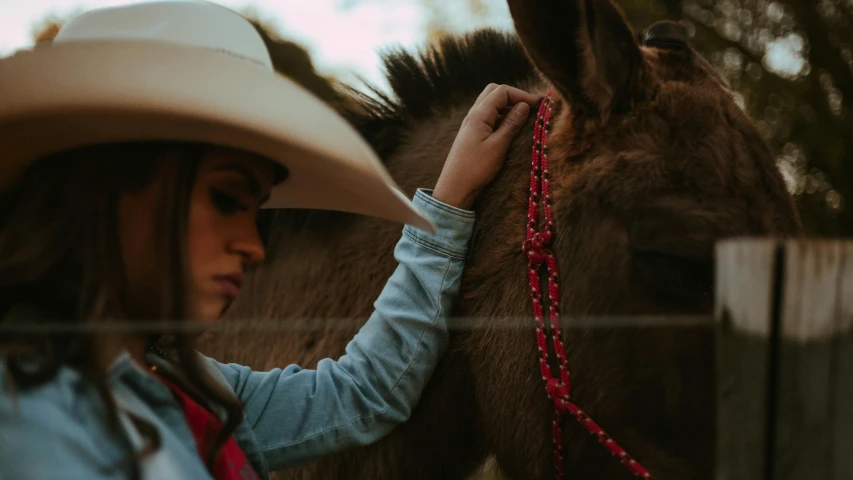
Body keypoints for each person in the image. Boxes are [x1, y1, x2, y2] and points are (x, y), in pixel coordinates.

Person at [0, 1, 537, 479]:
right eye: (227, 200)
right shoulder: (25, 419)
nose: (253, 246)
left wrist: (447, 203)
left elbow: (361, 392)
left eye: (256, 212)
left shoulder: (193, 388)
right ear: (104, 191)